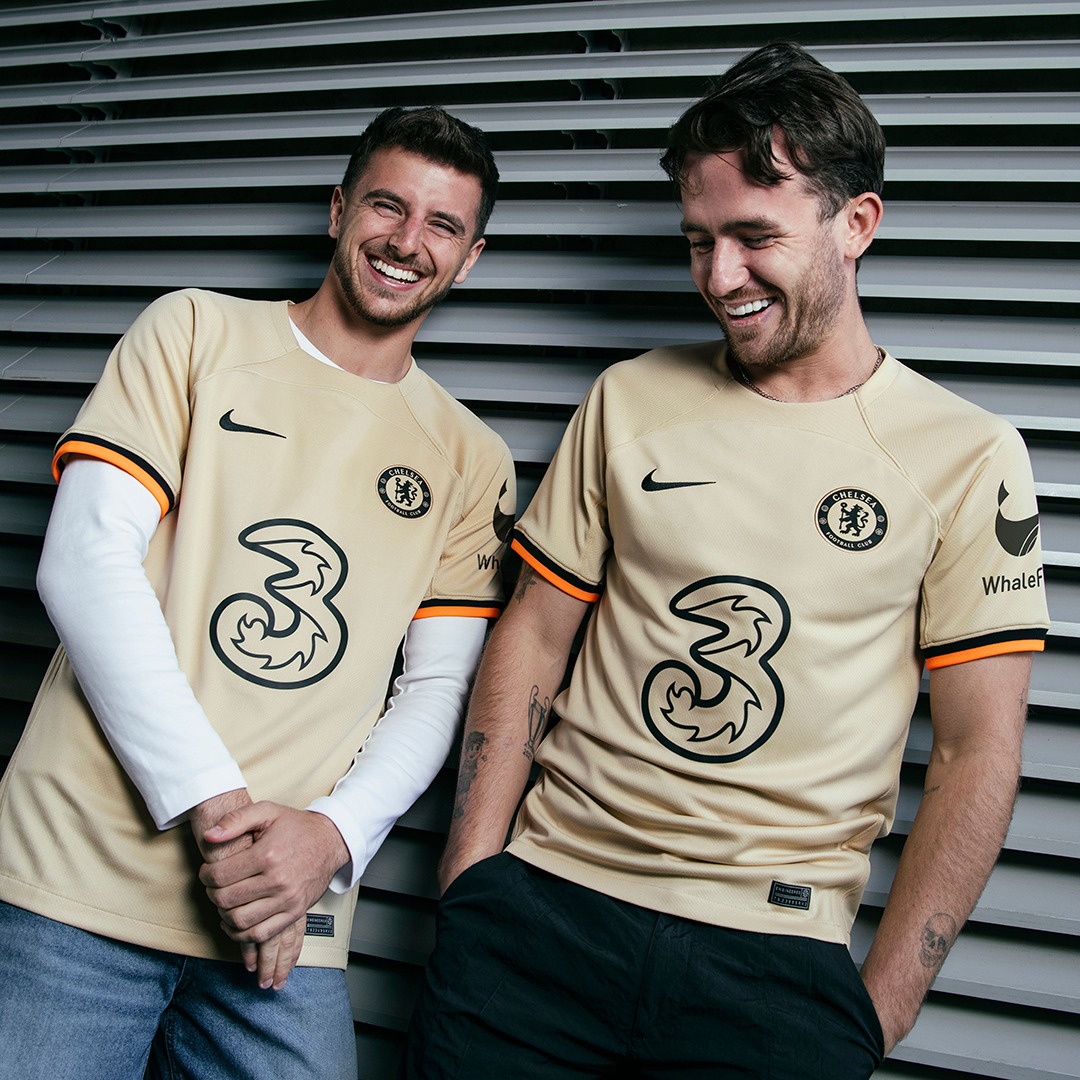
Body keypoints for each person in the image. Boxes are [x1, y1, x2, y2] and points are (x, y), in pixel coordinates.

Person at [401, 43, 1049, 1080]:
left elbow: (979, 751)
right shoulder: (628, 398)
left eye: (755, 237)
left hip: (775, 970)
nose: (719, 278)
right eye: (699, 242)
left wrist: (874, 1016)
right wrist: (473, 879)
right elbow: (535, 633)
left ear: (856, 224)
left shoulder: (969, 456)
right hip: (536, 925)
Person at [0, 105, 514, 1080]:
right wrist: (226, 821)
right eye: (388, 206)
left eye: (442, 225)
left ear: (471, 256)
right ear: (338, 210)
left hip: (285, 924)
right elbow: (83, 561)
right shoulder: (194, 330)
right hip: (73, 890)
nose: (408, 241)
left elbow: (439, 687)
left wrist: (329, 840)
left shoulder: (470, 455)